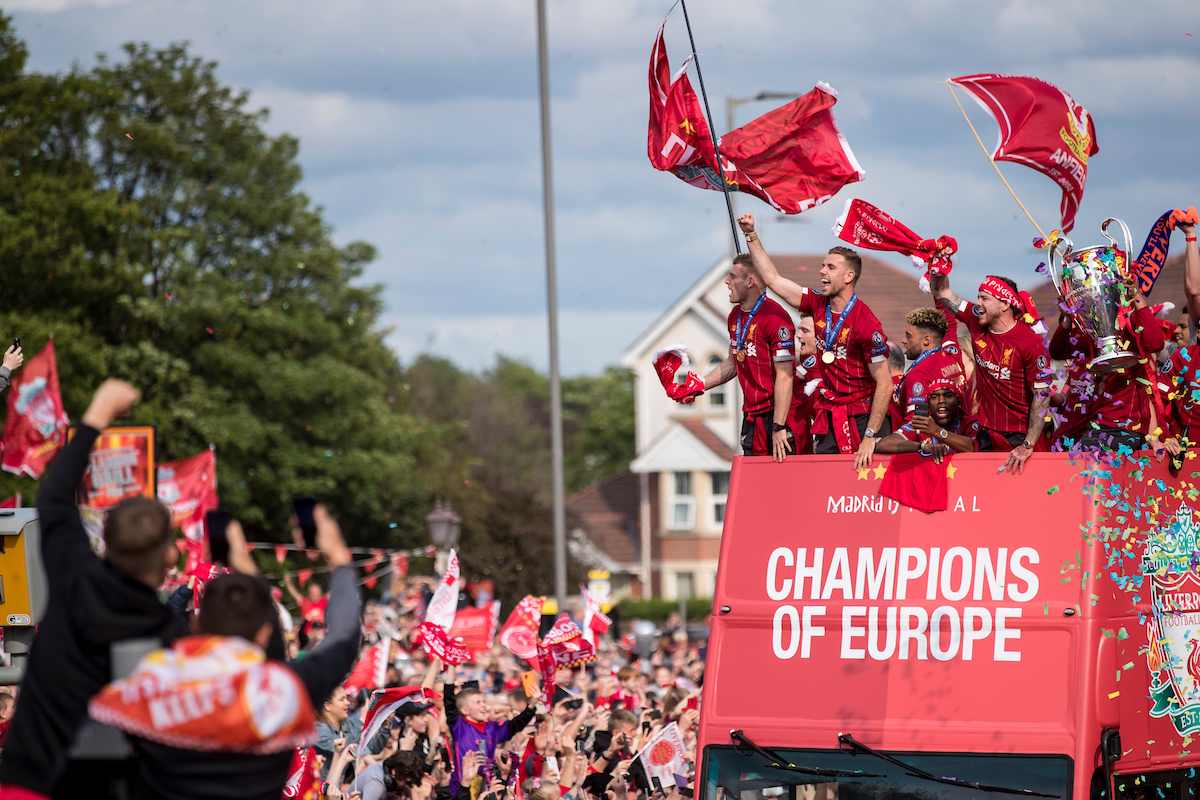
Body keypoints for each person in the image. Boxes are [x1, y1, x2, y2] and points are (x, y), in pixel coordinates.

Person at [86, 504, 362, 800]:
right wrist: (338, 559)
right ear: (266, 633)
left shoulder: (143, 682)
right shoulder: (284, 688)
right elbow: (345, 635)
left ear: (195, 621)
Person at [0, 379, 188, 800]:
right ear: (168, 560)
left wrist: (98, 413)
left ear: (106, 543)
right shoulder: (170, 637)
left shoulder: (73, 575)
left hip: (25, 784)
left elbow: (53, 496)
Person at [738, 213, 892, 467]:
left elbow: (885, 384)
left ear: (849, 276)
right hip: (829, 415)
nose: (822, 270)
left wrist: (870, 435)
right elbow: (773, 280)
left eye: (831, 267)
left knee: (864, 495)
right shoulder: (818, 303)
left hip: (862, 417)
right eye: (823, 265)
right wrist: (751, 235)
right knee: (826, 489)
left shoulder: (866, 323)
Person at [929, 271, 1051, 473]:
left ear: (1005, 304)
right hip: (986, 433)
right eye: (977, 297)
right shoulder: (974, 319)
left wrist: (1028, 444)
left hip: (1019, 437)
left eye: (984, 298)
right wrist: (938, 268)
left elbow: (1042, 396)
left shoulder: (1031, 343)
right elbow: (941, 290)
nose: (977, 303)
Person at [691, 254, 801, 461]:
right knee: (755, 484)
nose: (727, 281)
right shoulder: (734, 316)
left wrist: (778, 426)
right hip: (752, 414)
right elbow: (733, 362)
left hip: (779, 413)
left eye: (733, 276)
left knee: (785, 485)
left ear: (751, 281)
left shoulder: (775, 318)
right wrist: (700, 385)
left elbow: (785, 377)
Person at [1050, 280, 1165, 452]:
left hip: (1124, 427)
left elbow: (1156, 344)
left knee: (1078, 467)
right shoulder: (1093, 335)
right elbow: (1058, 352)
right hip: (1100, 425)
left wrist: (1137, 297)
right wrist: (1067, 316)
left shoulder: (1131, 327)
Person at [444, 667, 536, 796]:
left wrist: (532, 705)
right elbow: (449, 701)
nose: (483, 705)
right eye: (477, 703)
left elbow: (515, 725)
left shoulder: (491, 727)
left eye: (483, 701)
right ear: (465, 710)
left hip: (487, 788)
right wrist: (452, 667)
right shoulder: (459, 727)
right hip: (462, 789)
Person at [876, 378, 979, 461]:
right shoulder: (922, 423)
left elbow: (975, 447)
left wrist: (938, 432)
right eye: (934, 397)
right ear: (928, 405)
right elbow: (883, 445)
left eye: (948, 396)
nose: (941, 401)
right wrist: (923, 446)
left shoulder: (969, 423)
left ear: (959, 403)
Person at [894, 307, 965, 424]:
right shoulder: (951, 353)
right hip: (958, 435)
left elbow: (918, 422)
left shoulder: (919, 372)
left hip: (934, 439)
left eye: (908, 336)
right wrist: (937, 291)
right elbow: (951, 323)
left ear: (926, 340)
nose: (903, 340)